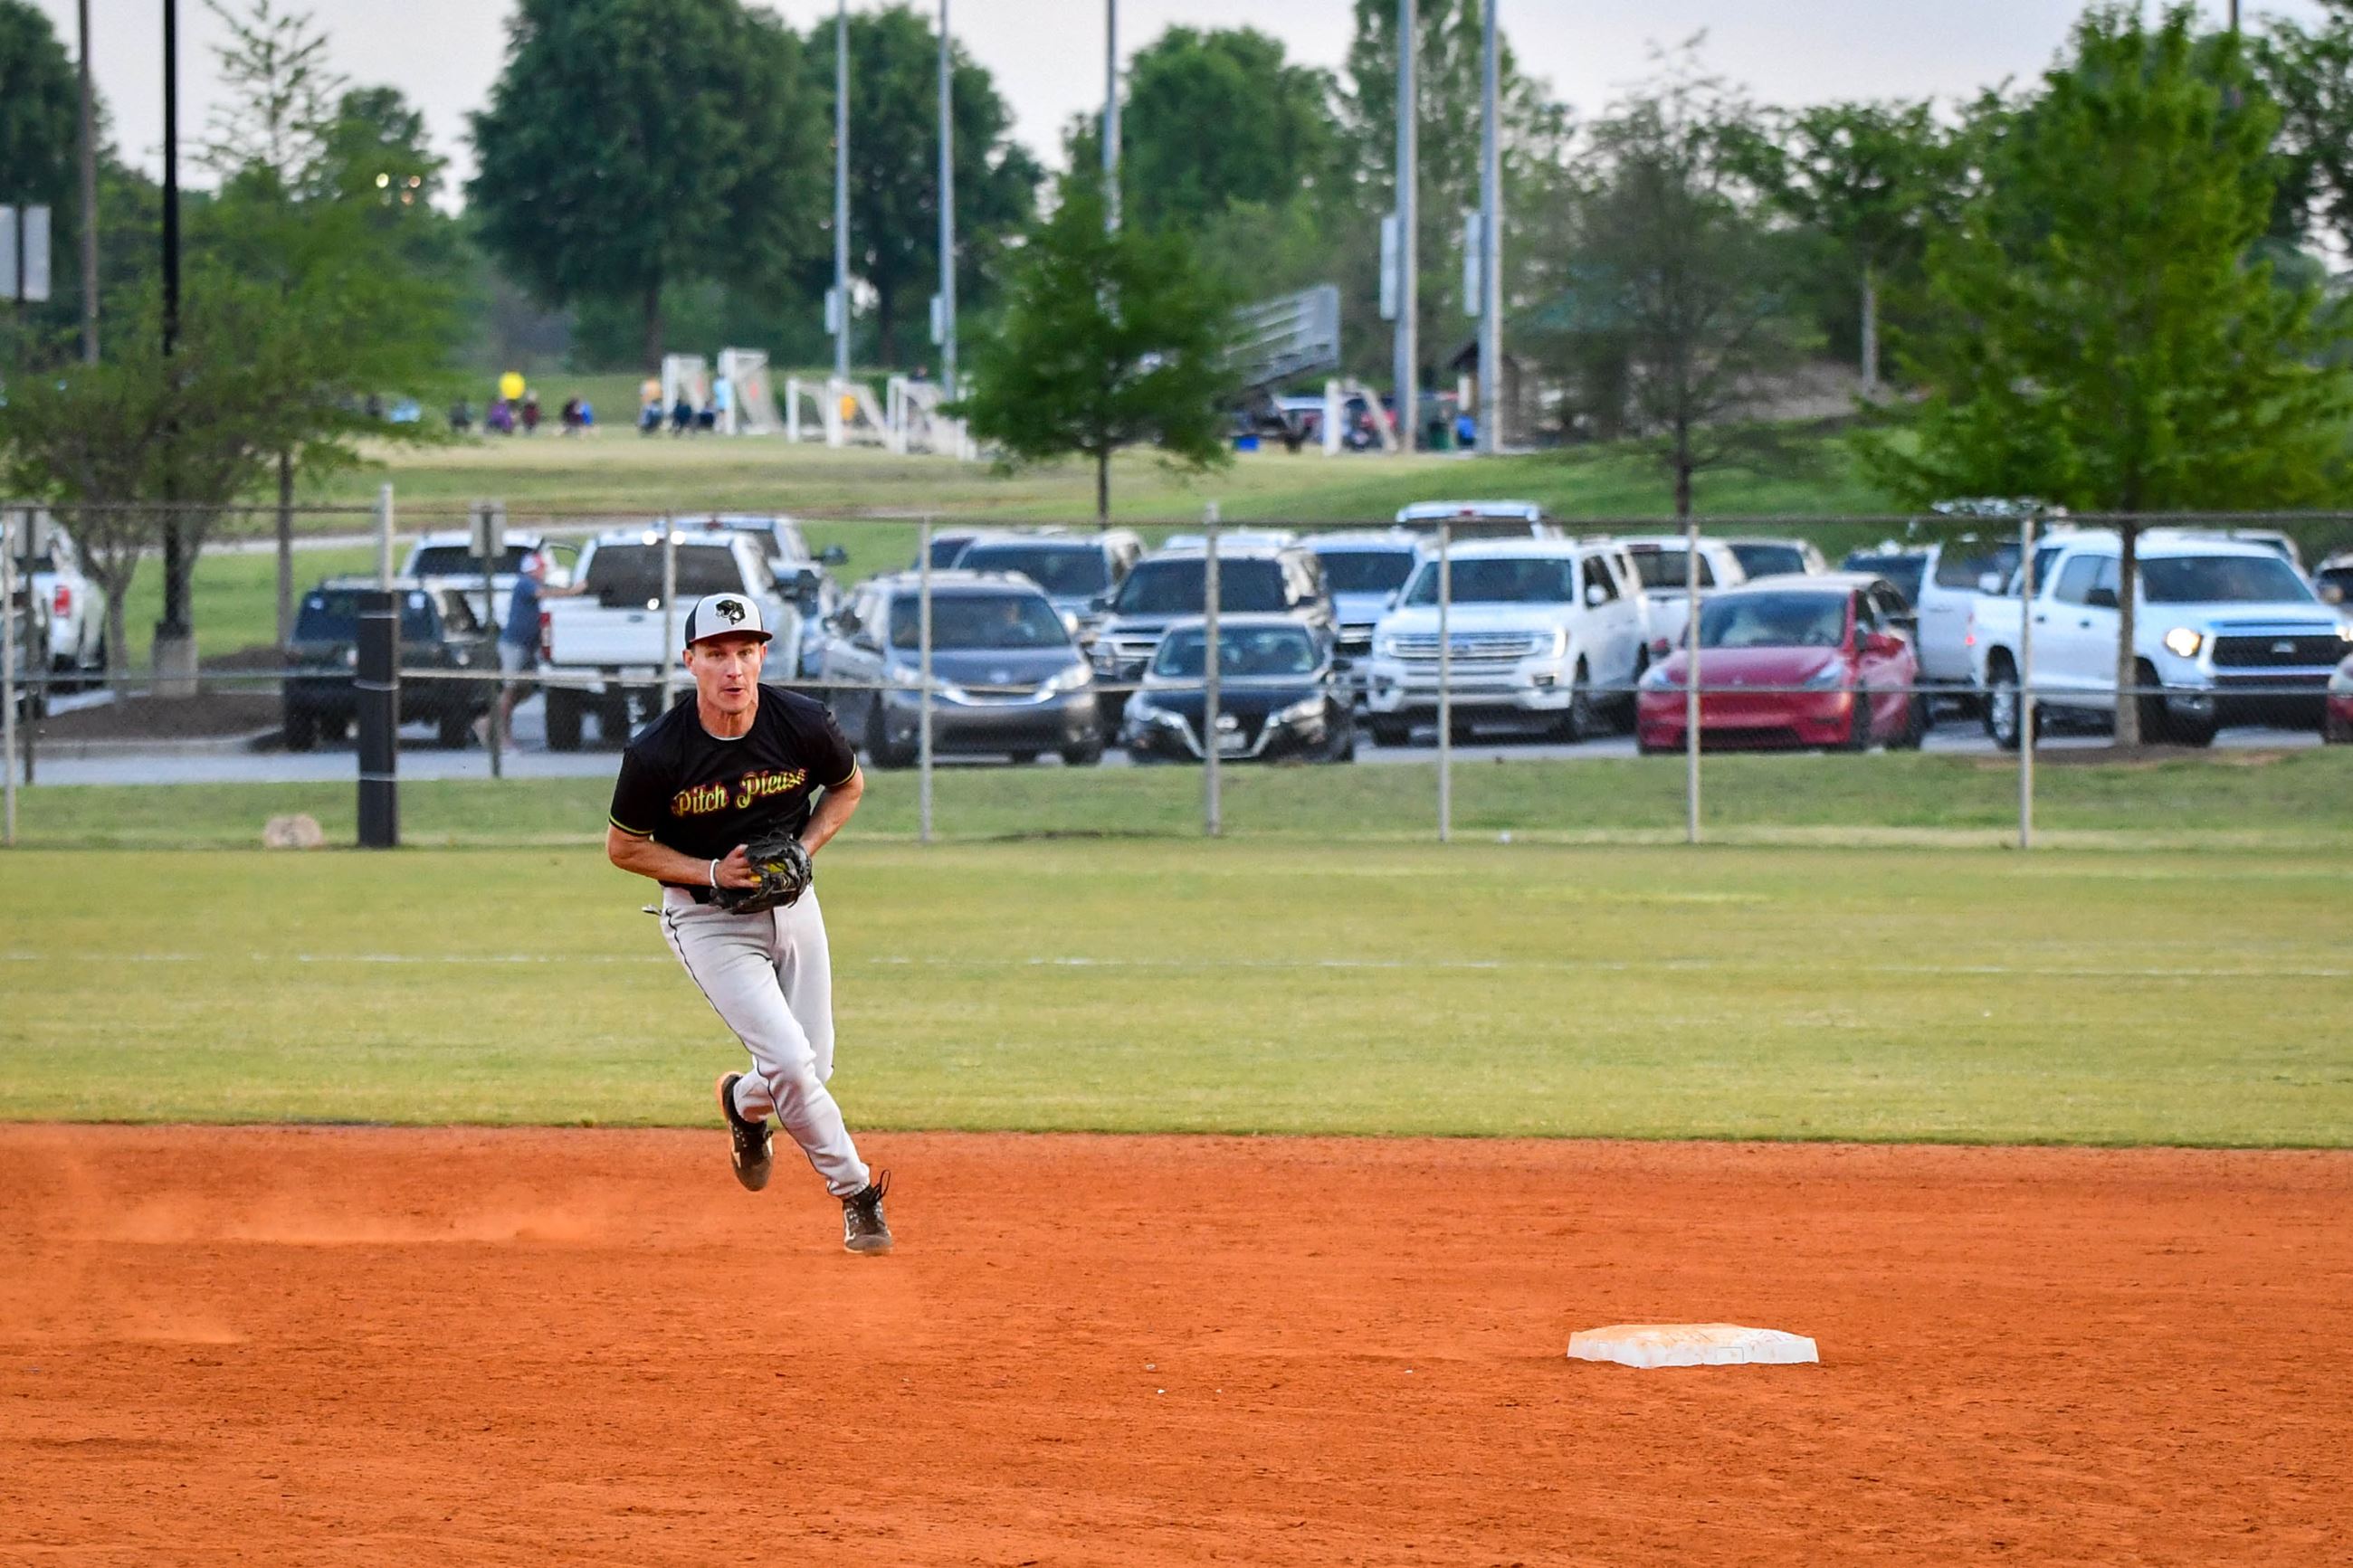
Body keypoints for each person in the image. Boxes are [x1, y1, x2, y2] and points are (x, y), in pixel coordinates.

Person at [605, 594, 893, 1254]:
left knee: (809, 1068)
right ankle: (856, 1194)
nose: (732, 668)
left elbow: (847, 787)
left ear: (762, 655)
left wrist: (804, 847)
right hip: (708, 922)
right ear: (690, 662)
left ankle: (742, 1103)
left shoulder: (801, 722)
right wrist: (710, 872)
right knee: (792, 1061)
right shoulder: (657, 752)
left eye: (744, 651)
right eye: (715, 654)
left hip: (792, 905)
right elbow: (623, 847)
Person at [477, 551, 577, 753]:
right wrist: (572, 591)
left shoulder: (533, 585)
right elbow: (543, 593)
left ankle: (488, 722)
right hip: (513, 645)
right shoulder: (525, 583)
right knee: (509, 692)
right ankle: (501, 737)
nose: (544, 571)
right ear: (532, 569)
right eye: (541, 568)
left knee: (522, 691)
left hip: (526, 647)